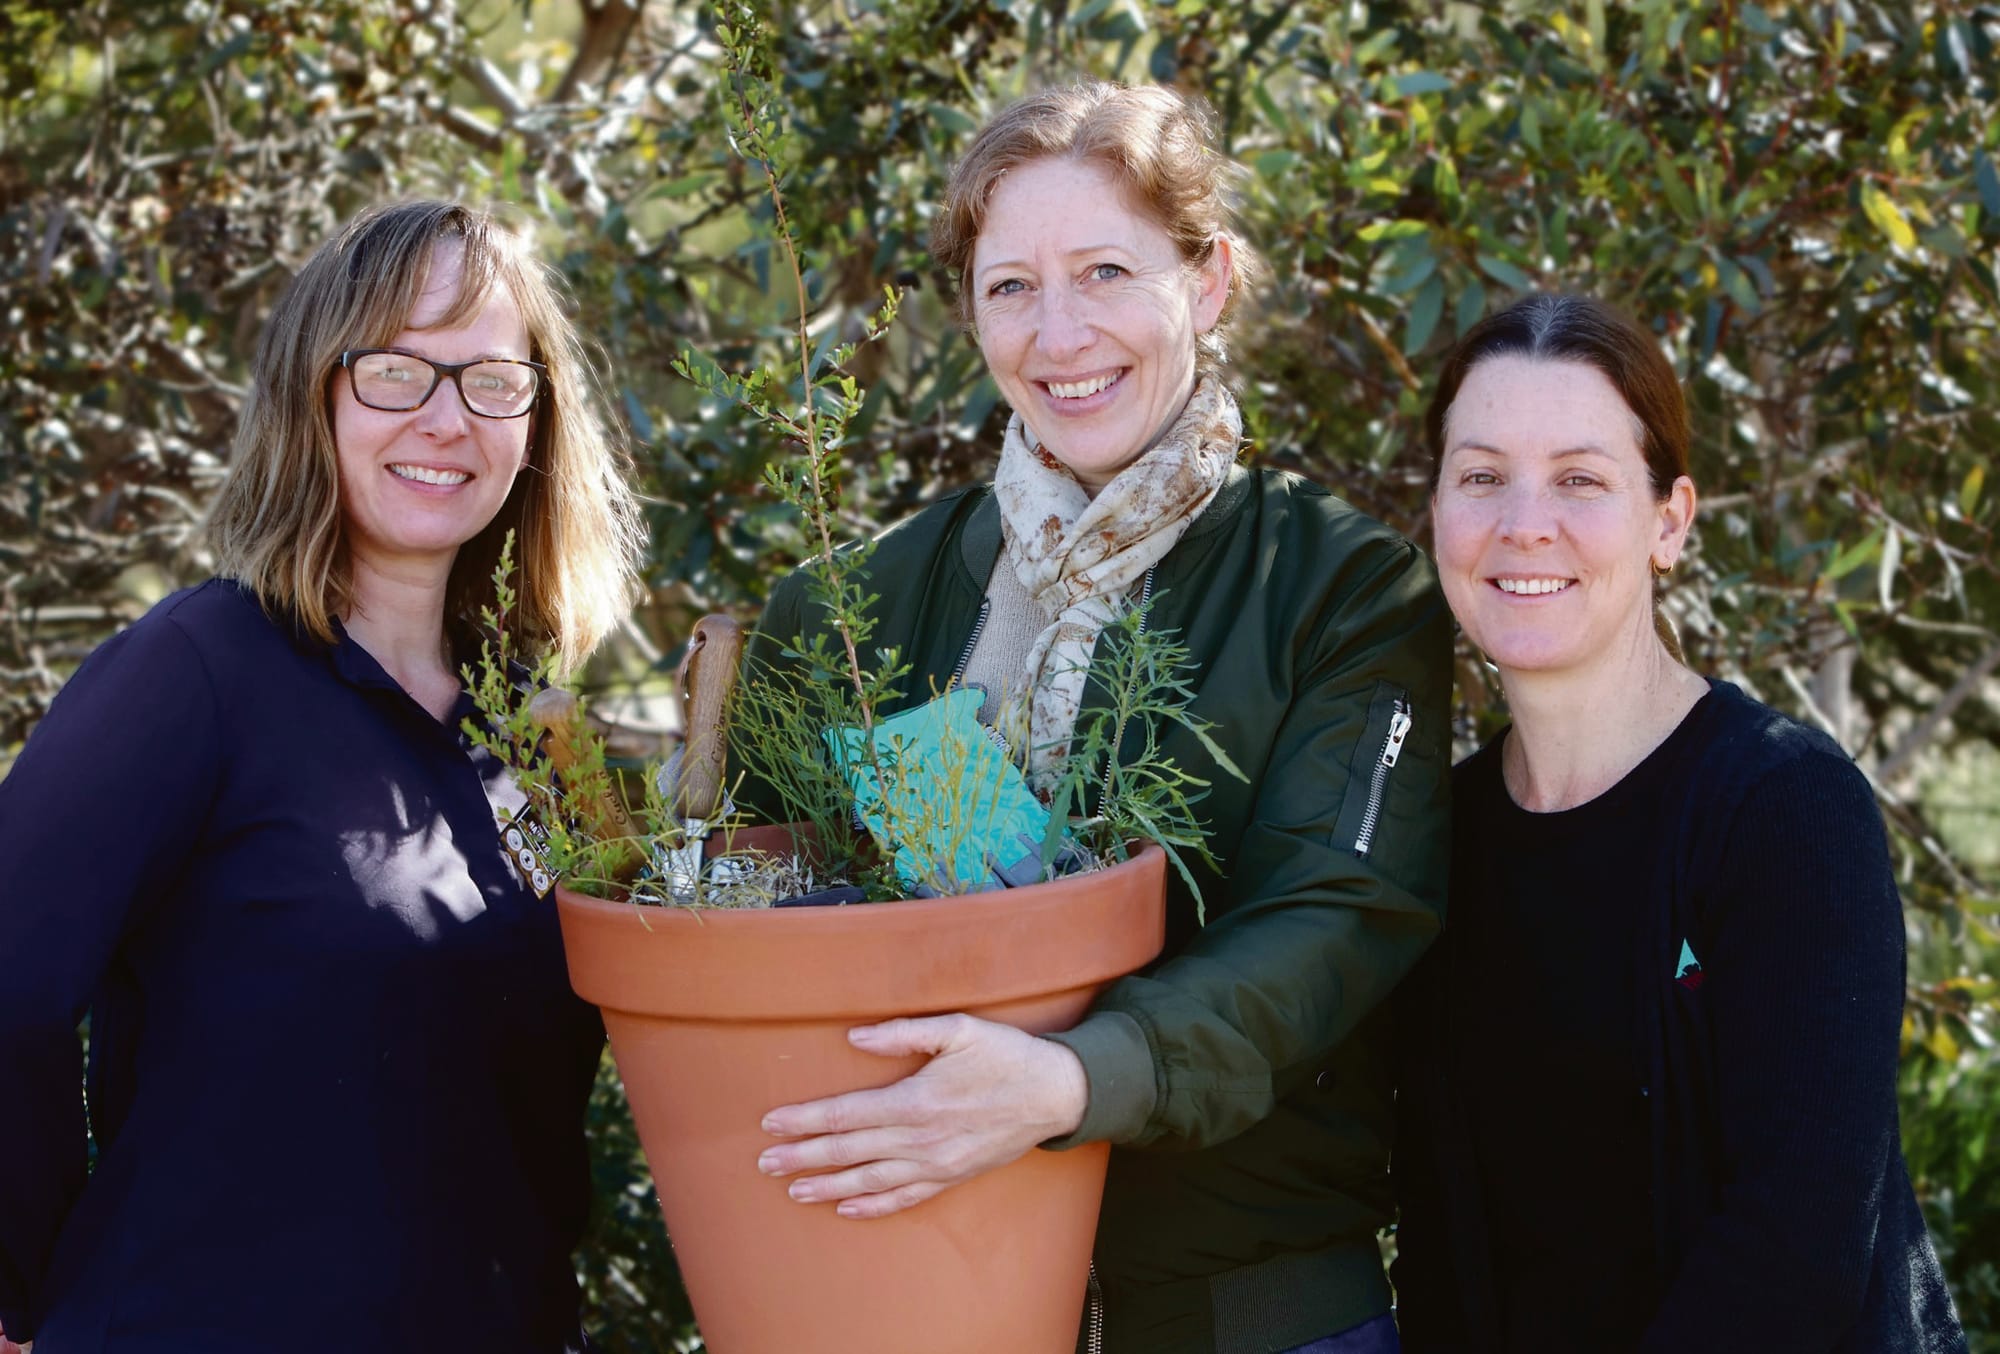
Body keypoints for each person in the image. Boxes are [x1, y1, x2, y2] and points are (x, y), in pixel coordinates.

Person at [746, 83, 1453, 1354]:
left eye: (1106, 271)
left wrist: (1073, 1081)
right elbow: (756, 942)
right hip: (908, 1299)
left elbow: (1334, 920)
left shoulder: (1339, 590)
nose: (1057, 332)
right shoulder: (851, 613)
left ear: (1210, 281)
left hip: (1244, 1316)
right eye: (1009, 286)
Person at [0, 200, 642, 1352]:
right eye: (395, 371)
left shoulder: (538, 730)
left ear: (538, 420)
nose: (446, 419)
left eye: (490, 379)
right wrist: (23, 1296)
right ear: (314, 395)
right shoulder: (195, 671)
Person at [1391, 293, 1967, 1353]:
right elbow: (1437, 1244)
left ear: (1667, 521)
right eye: (1480, 476)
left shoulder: (1780, 810)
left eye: (1579, 479)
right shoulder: (1442, 836)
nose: (1523, 521)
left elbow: (1795, 1244)